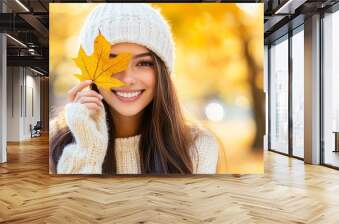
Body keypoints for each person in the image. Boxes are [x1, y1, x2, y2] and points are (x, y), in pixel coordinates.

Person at [50, 3, 219, 174]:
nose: (127, 78)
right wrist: (87, 147)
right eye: (112, 62)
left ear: (162, 73)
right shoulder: (51, 142)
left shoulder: (198, 146)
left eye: (144, 63)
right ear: (90, 70)